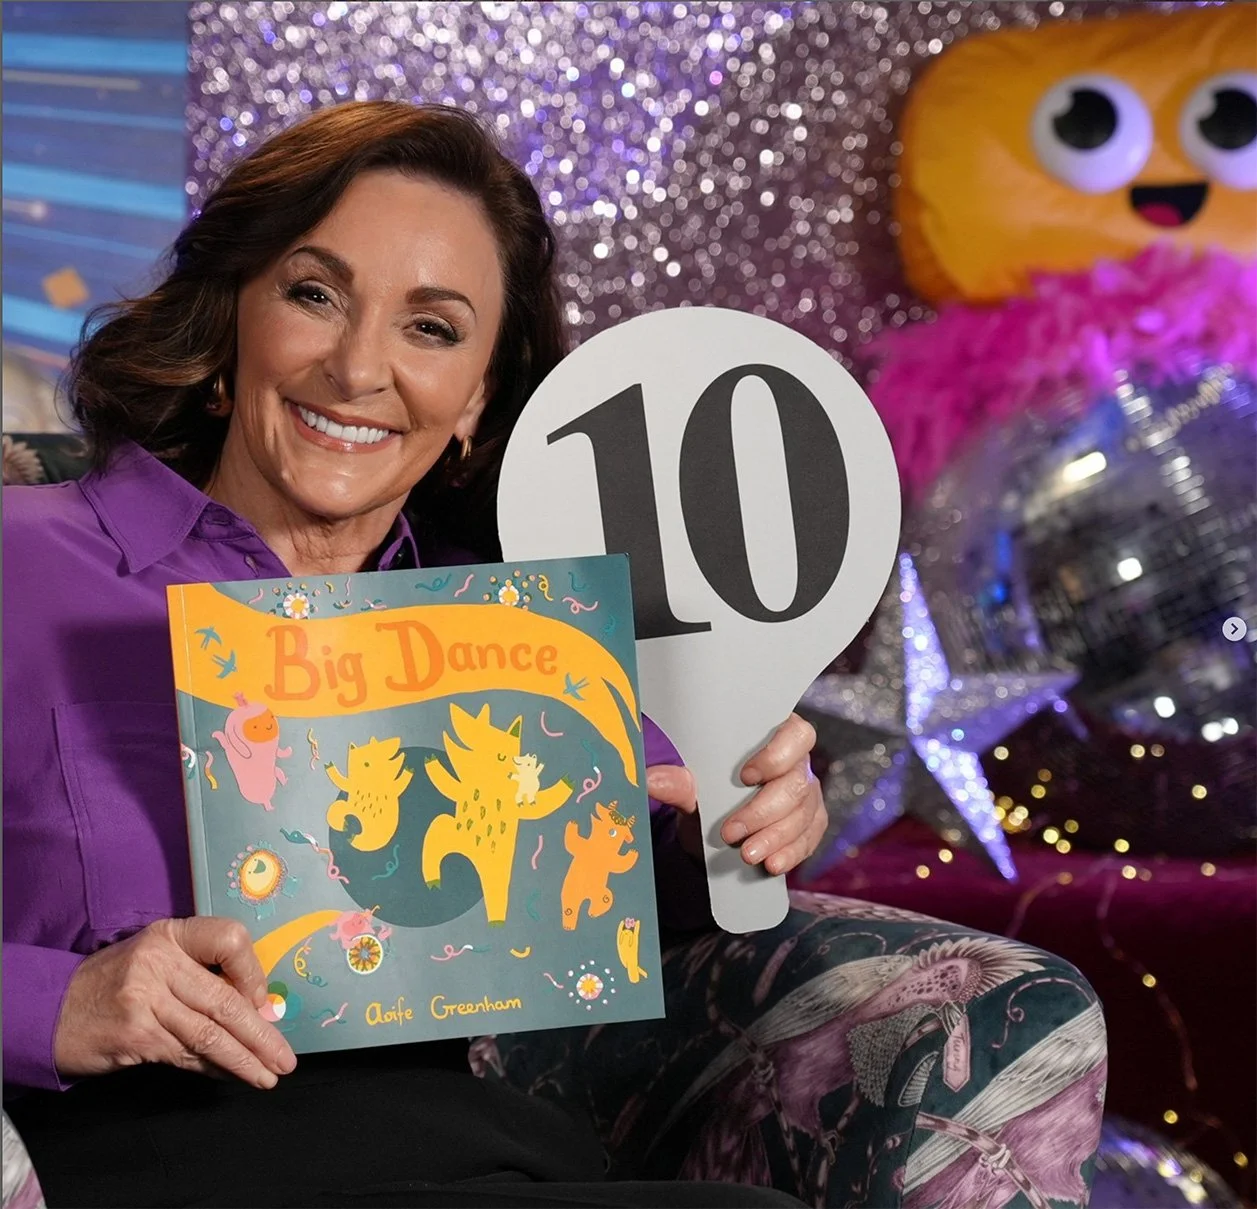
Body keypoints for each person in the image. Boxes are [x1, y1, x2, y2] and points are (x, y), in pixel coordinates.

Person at [2, 101, 825, 1209]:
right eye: (314, 294)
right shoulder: (23, 561)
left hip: (445, 1152)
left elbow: (660, 880)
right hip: (105, 1156)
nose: (355, 368)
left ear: (481, 398)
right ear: (232, 316)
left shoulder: (514, 628)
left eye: (431, 328)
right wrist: (54, 1003)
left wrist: (749, 815)